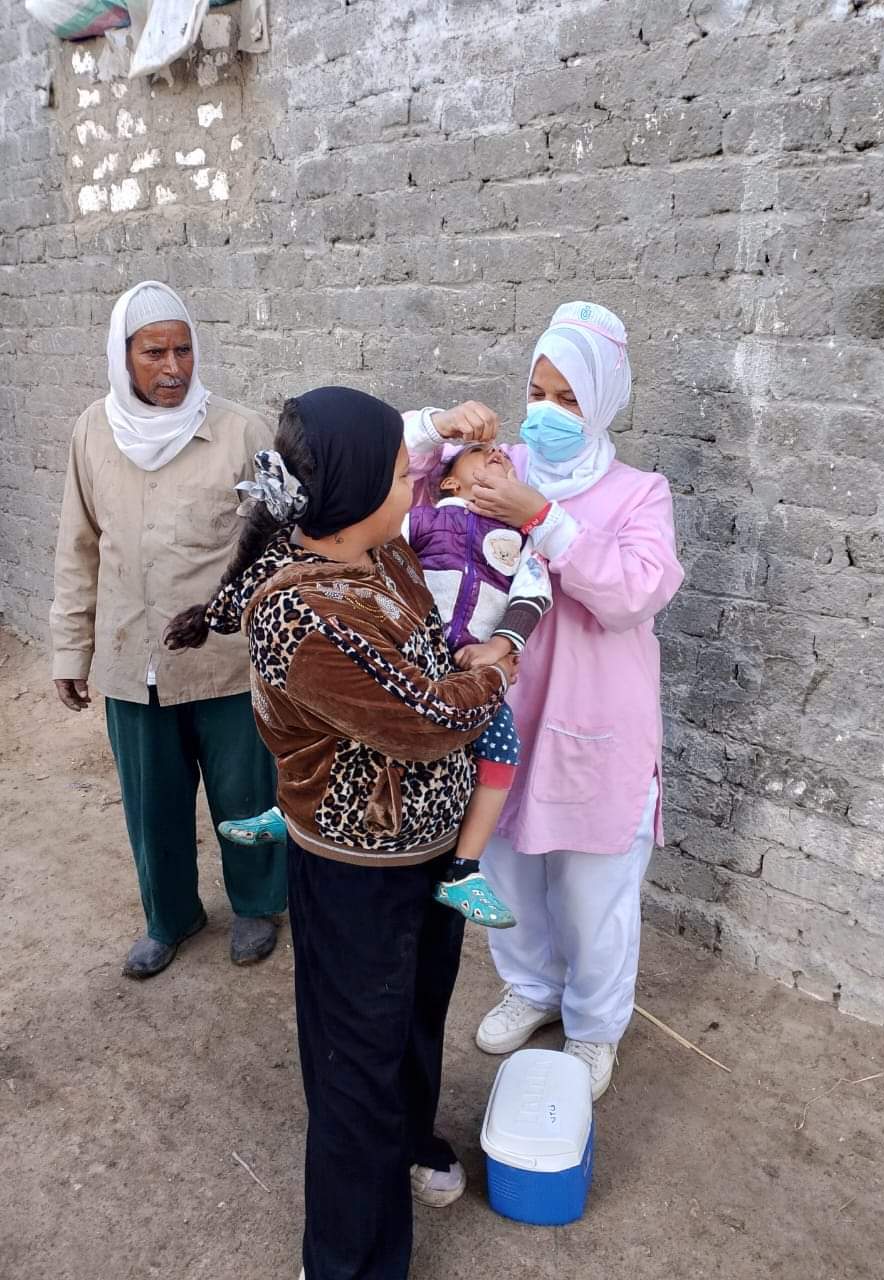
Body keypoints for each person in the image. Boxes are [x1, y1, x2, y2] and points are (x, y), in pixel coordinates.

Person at [164, 386, 517, 1280]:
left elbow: (391, 456)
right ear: (356, 491)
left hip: (429, 854)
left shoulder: (377, 550)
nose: (417, 484)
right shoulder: (304, 615)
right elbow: (430, 721)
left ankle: (410, 1141)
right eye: (402, 476)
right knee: (355, 1060)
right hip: (357, 871)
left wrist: (438, 429)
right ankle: (348, 1262)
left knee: (414, 1019)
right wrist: (500, 662)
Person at [404, 301, 684, 1100]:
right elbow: (402, 486)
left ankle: (594, 1026)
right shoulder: (497, 463)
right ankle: (531, 987)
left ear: (602, 402)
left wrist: (541, 518)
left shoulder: (638, 493)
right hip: (500, 712)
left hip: (596, 722)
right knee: (506, 868)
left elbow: (634, 593)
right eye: (537, 392)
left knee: (594, 896)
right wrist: (436, 427)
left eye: (568, 398)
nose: (547, 412)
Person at [50, 281, 285, 979]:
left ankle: (257, 904)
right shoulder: (92, 432)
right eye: (154, 353)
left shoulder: (242, 432)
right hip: (132, 658)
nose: (173, 367)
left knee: (246, 794)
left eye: (183, 350)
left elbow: (281, 542)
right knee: (151, 804)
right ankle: (171, 917)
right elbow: (78, 546)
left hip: (226, 659)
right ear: (123, 357)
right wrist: (71, 649)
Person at [220, 439, 553, 929]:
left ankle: (465, 867)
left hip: (471, 671)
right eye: (481, 453)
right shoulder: (421, 522)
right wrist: (437, 427)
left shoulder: (520, 540)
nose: (498, 455)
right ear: (449, 481)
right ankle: (289, 813)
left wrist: (502, 647)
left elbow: (534, 593)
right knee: (333, 730)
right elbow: (369, 502)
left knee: (502, 751)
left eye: (504, 459)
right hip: (413, 661)